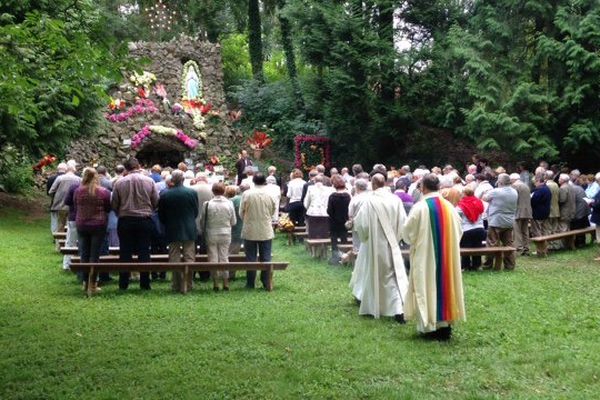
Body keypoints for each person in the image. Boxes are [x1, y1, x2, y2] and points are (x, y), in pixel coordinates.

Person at [402, 174, 465, 340]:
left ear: (423, 188)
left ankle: (430, 327)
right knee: (445, 286)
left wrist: (417, 242)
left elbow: (408, 233)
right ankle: (445, 326)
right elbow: (459, 231)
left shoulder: (420, 207)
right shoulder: (449, 207)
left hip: (426, 256)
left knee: (427, 286)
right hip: (447, 257)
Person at [351, 174, 407, 321]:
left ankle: (377, 304)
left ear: (373, 184)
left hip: (374, 244)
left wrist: (364, 238)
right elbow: (403, 222)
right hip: (392, 242)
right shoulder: (395, 199)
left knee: (374, 273)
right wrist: (397, 237)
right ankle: (396, 307)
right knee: (391, 274)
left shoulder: (369, 201)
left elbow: (362, 224)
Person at [111, 157, 159, 290]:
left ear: (126, 168)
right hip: (144, 219)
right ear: (138, 166)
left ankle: (123, 283)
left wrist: (120, 212)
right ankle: (145, 283)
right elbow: (156, 200)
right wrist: (149, 209)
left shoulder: (119, 183)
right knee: (144, 251)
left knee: (125, 252)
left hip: (125, 220)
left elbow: (114, 202)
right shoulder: (149, 181)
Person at [158, 170, 198, 293]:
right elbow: (195, 211)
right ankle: (188, 284)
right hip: (189, 227)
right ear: (183, 179)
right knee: (189, 257)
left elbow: (161, 215)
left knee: (174, 256)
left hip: (172, 228)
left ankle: (176, 284)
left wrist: (168, 223)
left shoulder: (165, 195)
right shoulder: (191, 192)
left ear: (172, 180)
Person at [73, 168, 111, 293]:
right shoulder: (104, 192)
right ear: (96, 177)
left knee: (84, 253)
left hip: (82, 224)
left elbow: (75, 205)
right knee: (95, 255)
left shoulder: (78, 191)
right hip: (98, 225)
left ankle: (84, 282)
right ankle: (93, 283)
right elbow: (107, 208)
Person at [239, 173, 276, 289]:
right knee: (266, 257)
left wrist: (247, 219)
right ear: (264, 181)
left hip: (250, 228)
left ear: (253, 181)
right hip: (265, 229)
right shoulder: (270, 194)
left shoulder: (246, 194)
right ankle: (266, 282)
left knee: (250, 257)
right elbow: (273, 210)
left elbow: (241, 212)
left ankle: (250, 283)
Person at [201, 182, 236, 291]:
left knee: (213, 258)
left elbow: (203, 221)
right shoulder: (229, 204)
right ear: (224, 191)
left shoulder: (207, 204)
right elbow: (233, 221)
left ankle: (216, 283)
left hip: (211, 233)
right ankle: (226, 283)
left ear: (213, 191)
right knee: (224, 257)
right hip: (225, 233)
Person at [483, 173, 518, 270]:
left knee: (492, 243)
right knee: (508, 244)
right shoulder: (514, 192)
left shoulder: (496, 191)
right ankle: (510, 265)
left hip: (496, 221)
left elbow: (484, 198)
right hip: (509, 221)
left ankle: (488, 265)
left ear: (500, 182)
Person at [456, 186, 485, 270]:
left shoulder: (461, 205)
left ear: (464, 194)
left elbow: (456, 214)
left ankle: (465, 266)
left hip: (466, 229)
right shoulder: (479, 202)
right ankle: (477, 265)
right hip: (480, 228)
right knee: (477, 247)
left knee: (465, 247)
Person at [48, 163, 81, 233]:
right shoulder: (79, 179)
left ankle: (57, 239)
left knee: (60, 223)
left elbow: (51, 191)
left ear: (66, 170)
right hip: (72, 205)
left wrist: (54, 198)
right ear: (74, 170)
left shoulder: (59, 178)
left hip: (59, 205)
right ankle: (68, 239)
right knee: (70, 223)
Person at [327, 174, 351, 264]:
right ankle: (345, 256)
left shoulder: (332, 196)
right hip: (344, 221)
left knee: (334, 239)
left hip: (333, 221)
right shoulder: (348, 196)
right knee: (344, 238)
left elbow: (329, 210)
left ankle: (335, 257)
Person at [304, 175, 334, 239]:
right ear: (322, 181)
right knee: (324, 231)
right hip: (324, 212)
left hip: (313, 212)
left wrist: (308, 208)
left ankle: (314, 247)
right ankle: (323, 247)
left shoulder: (310, 188)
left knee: (313, 232)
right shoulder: (329, 189)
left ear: (314, 181)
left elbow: (307, 201)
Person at [510, 173, 533, 256]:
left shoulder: (514, 186)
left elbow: (513, 199)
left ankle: (518, 248)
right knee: (525, 231)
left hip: (518, 211)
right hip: (527, 211)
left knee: (517, 231)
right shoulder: (526, 186)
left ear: (513, 179)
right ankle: (526, 248)